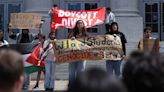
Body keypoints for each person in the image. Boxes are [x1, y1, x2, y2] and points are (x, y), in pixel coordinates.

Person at [68, 20, 87, 87]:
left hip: (82, 55)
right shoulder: (72, 32)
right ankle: (71, 85)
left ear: (83, 24)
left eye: (81, 23)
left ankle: (80, 85)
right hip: (72, 55)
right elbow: (67, 41)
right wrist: (71, 39)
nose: (79, 24)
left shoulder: (86, 34)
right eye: (78, 23)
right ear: (76, 25)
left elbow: (89, 43)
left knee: (81, 71)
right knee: (71, 71)